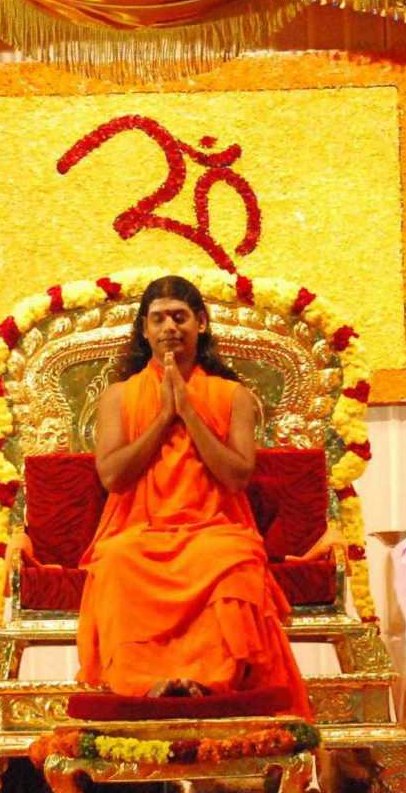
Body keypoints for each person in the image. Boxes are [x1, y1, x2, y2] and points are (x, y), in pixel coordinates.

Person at [75, 276, 313, 717]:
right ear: (144, 329)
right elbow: (113, 476)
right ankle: (143, 683)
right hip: (140, 532)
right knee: (117, 561)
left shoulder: (232, 395)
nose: (170, 327)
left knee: (231, 559)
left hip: (214, 528)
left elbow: (236, 476)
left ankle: (209, 682)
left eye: (180, 317)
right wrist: (164, 417)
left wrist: (189, 412)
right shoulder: (118, 397)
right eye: (158, 318)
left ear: (200, 323)